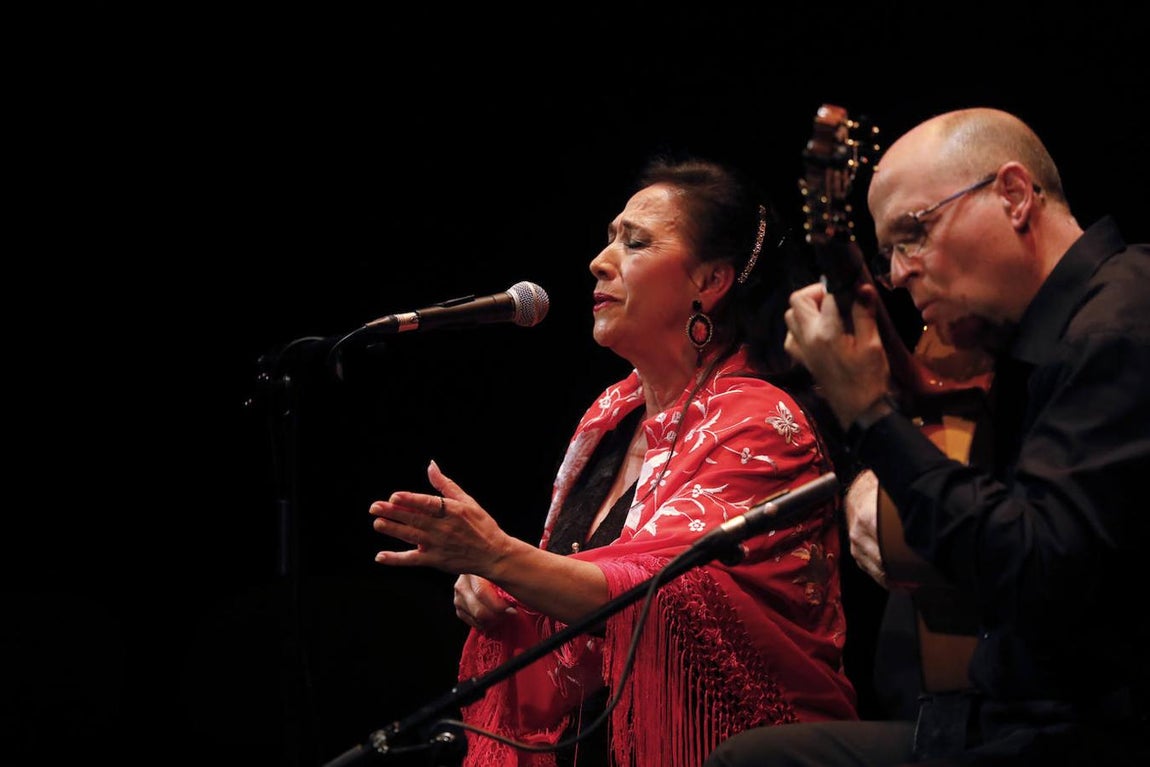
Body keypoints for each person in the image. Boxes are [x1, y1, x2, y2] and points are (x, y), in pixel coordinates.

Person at [368, 155, 859, 766]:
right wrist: (502, 594)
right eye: (609, 238)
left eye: (636, 242)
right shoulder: (610, 416)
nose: (599, 261)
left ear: (711, 281)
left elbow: (657, 594)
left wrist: (499, 557)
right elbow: (579, 591)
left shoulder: (760, 423)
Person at [705, 107, 1150, 767]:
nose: (898, 272)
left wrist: (869, 415)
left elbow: (1035, 567)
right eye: (887, 253)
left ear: (1014, 195)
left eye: (913, 232)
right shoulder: (1029, 340)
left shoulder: (1119, 327)